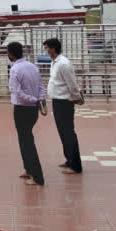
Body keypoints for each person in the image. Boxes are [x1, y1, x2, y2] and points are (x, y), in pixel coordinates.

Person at [6, 42, 45, 186]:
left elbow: (17, 92)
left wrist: (34, 100)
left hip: (22, 109)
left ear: (10, 53)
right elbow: (41, 85)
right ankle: (28, 169)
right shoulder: (32, 66)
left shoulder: (15, 69)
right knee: (25, 139)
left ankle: (37, 176)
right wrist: (39, 99)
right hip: (32, 109)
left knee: (27, 142)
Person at [44, 38, 83, 175]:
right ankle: (69, 159)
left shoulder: (64, 64)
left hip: (64, 102)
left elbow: (72, 83)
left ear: (53, 48)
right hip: (57, 101)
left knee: (68, 133)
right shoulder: (54, 62)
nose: (46, 50)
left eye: (47, 47)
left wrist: (77, 98)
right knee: (63, 133)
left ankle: (76, 166)